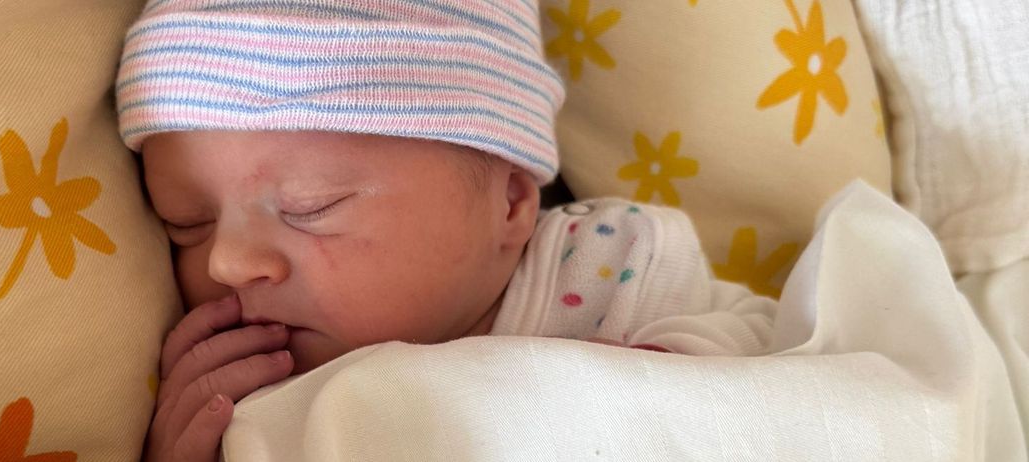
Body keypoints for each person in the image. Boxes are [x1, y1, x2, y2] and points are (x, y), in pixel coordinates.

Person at [116, 1, 776, 460]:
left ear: (513, 203)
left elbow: (769, 379)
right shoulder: (246, 391)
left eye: (311, 207)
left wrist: (662, 396)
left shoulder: (607, 271)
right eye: (186, 225)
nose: (228, 262)